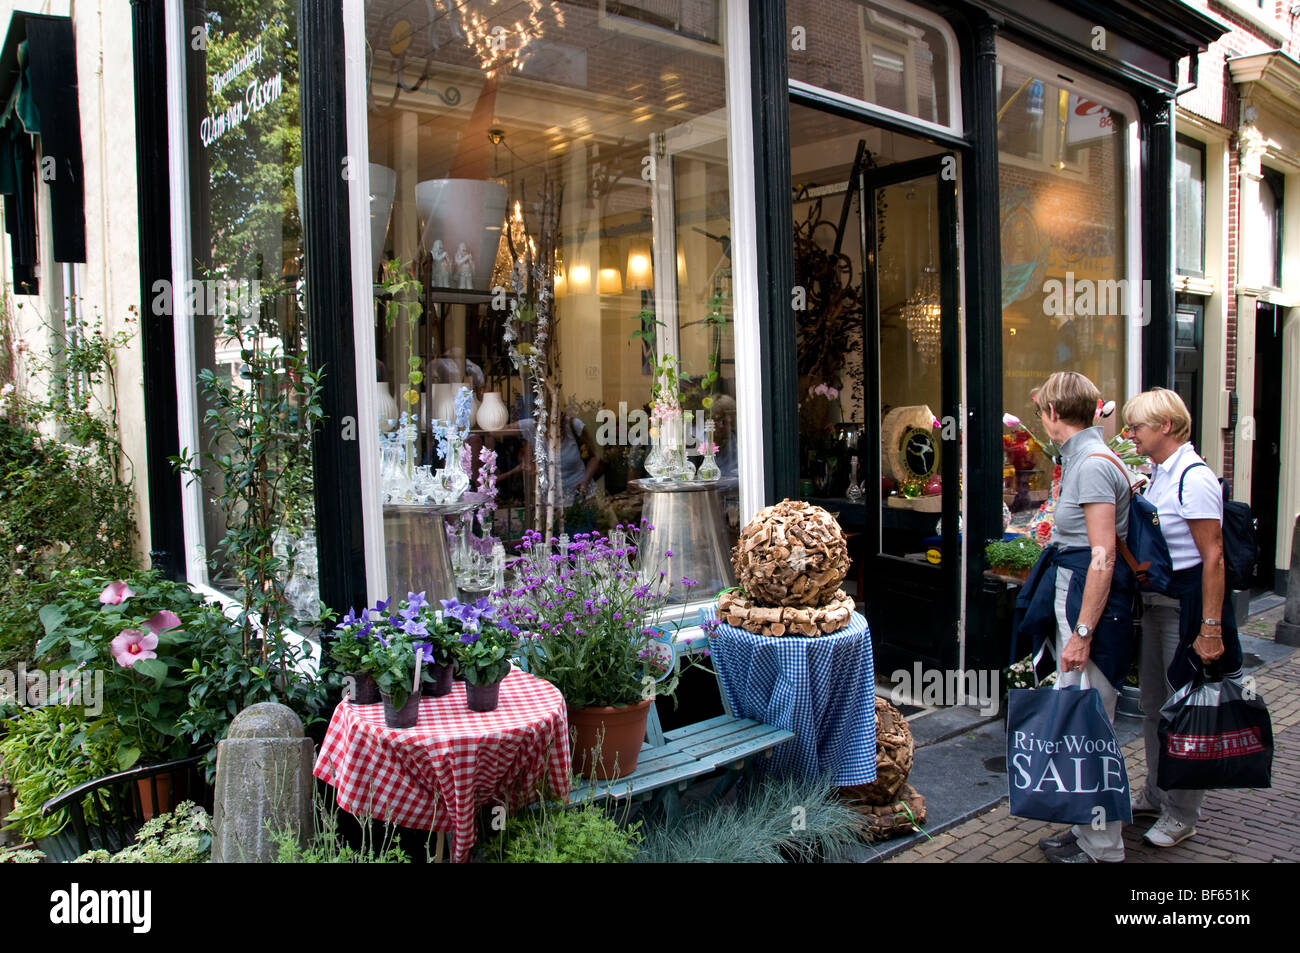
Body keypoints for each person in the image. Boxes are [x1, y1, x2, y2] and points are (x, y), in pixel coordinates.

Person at [1014, 371, 1136, 863]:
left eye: (1041, 409)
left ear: (1053, 414)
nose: (1040, 418)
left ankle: (1103, 848)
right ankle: (1085, 828)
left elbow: (1102, 555)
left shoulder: (1089, 465)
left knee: (1091, 726)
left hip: (1090, 609)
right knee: (1079, 718)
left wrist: (1082, 634)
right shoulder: (1085, 456)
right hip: (1080, 600)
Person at [1122, 387, 1241, 849]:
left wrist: (1209, 630)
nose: (1131, 434)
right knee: (1155, 706)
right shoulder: (1159, 475)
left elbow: (1213, 557)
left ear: (1166, 427)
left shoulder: (1194, 478)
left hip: (1187, 611)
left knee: (1185, 711)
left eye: (1138, 427)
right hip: (1159, 605)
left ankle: (1182, 812)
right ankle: (1155, 792)